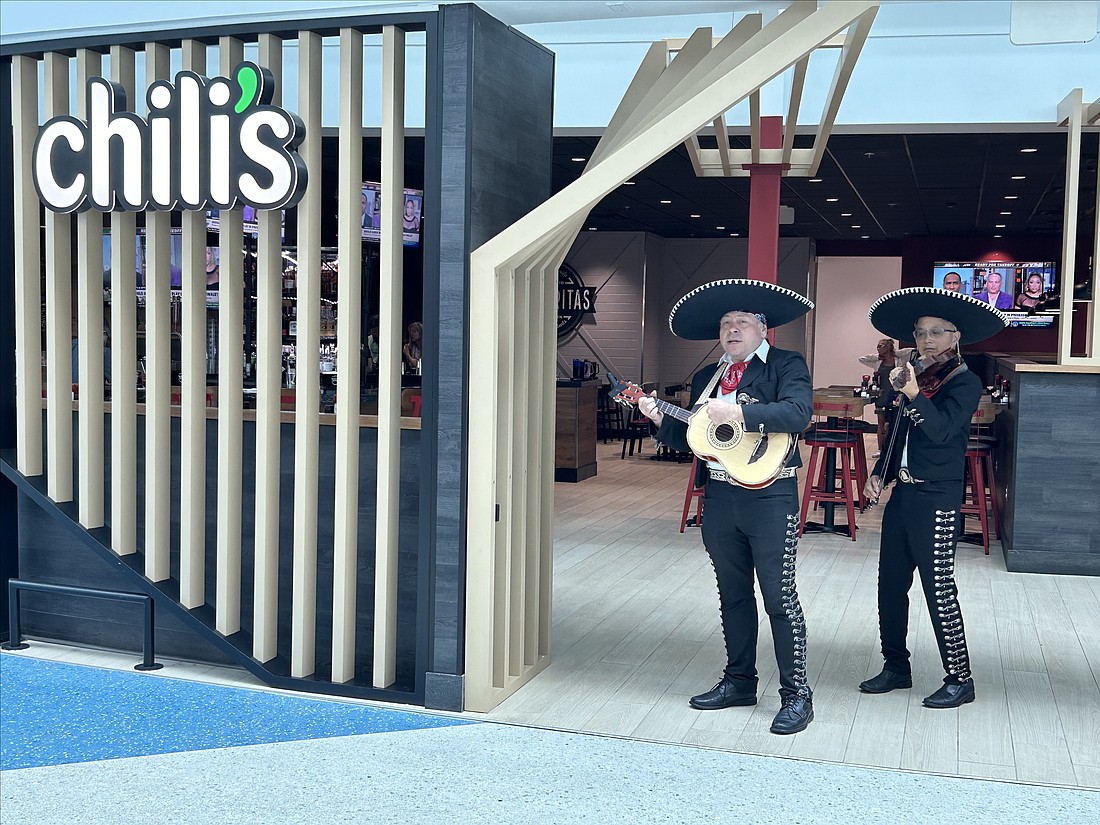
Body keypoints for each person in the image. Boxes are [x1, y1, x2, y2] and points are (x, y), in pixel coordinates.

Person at [636, 279, 815, 735]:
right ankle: (739, 682)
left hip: (771, 495)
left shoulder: (785, 364)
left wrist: (740, 414)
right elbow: (695, 439)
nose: (732, 330)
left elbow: (798, 414)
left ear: (763, 328)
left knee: (779, 596)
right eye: (725, 324)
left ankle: (797, 696)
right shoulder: (706, 378)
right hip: (719, 497)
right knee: (732, 595)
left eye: (741, 322)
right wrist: (659, 419)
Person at [859, 287, 1008, 709]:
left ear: (955, 337)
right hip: (903, 495)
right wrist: (879, 474)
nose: (926, 340)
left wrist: (911, 395)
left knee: (938, 589)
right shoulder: (920, 378)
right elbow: (900, 436)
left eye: (936, 333)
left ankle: (960, 679)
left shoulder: (964, 380)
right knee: (890, 585)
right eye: (921, 333)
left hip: (938, 498)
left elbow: (941, 431)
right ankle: (895, 667)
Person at [858, 338, 913, 453]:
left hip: (896, 394)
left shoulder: (899, 360)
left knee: (893, 421)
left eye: (881, 346)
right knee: (881, 422)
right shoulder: (878, 362)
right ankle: (880, 448)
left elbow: (911, 351)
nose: (878, 348)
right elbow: (862, 359)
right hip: (882, 394)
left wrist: (894, 353)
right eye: (877, 346)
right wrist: (878, 356)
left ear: (888, 347)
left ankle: (892, 448)